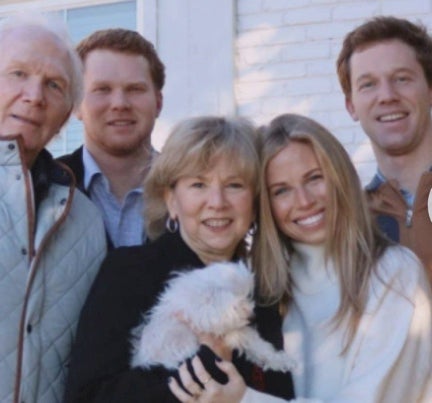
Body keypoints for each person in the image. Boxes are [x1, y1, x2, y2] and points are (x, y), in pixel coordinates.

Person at [64, 116, 295, 402]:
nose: (217, 202)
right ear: (171, 201)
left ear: (254, 201)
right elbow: (87, 396)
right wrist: (204, 365)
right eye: (199, 185)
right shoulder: (130, 273)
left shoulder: (264, 291)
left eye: (234, 185)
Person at [236, 113, 432, 402]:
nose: (304, 201)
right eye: (281, 191)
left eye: (315, 178)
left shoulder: (394, 273)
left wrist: (244, 400)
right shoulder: (262, 287)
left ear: (340, 177)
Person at [0, 13, 106, 403]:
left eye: (54, 85)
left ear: (66, 115)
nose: (34, 95)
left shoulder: (86, 220)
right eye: (17, 74)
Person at [336, 16, 432, 280]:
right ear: (351, 106)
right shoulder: (350, 226)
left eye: (401, 78)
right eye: (368, 84)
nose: (387, 96)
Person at [59, 28, 165, 248]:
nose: (120, 103)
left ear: (158, 103)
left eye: (135, 89)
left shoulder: (195, 188)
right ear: (76, 105)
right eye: (102, 89)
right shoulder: (43, 189)